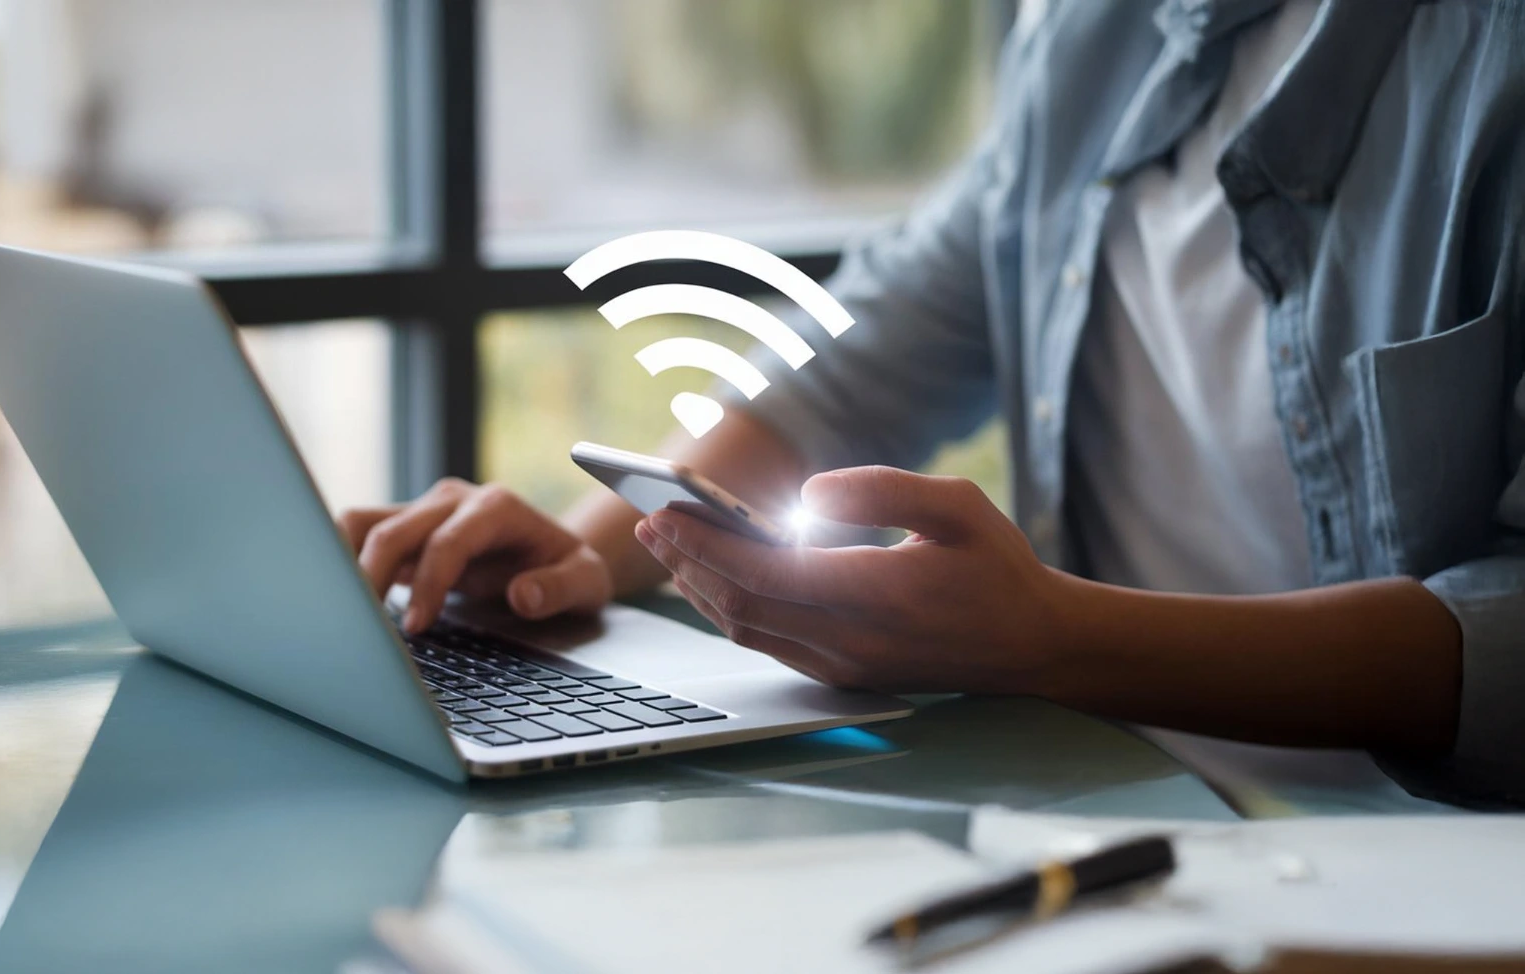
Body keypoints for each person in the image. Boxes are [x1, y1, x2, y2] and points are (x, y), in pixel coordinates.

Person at [342, 0, 1524, 805]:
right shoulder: (1088, 33)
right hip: (1098, 790)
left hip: (1400, 858)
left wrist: (1049, 638)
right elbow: (876, 350)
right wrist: (594, 553)